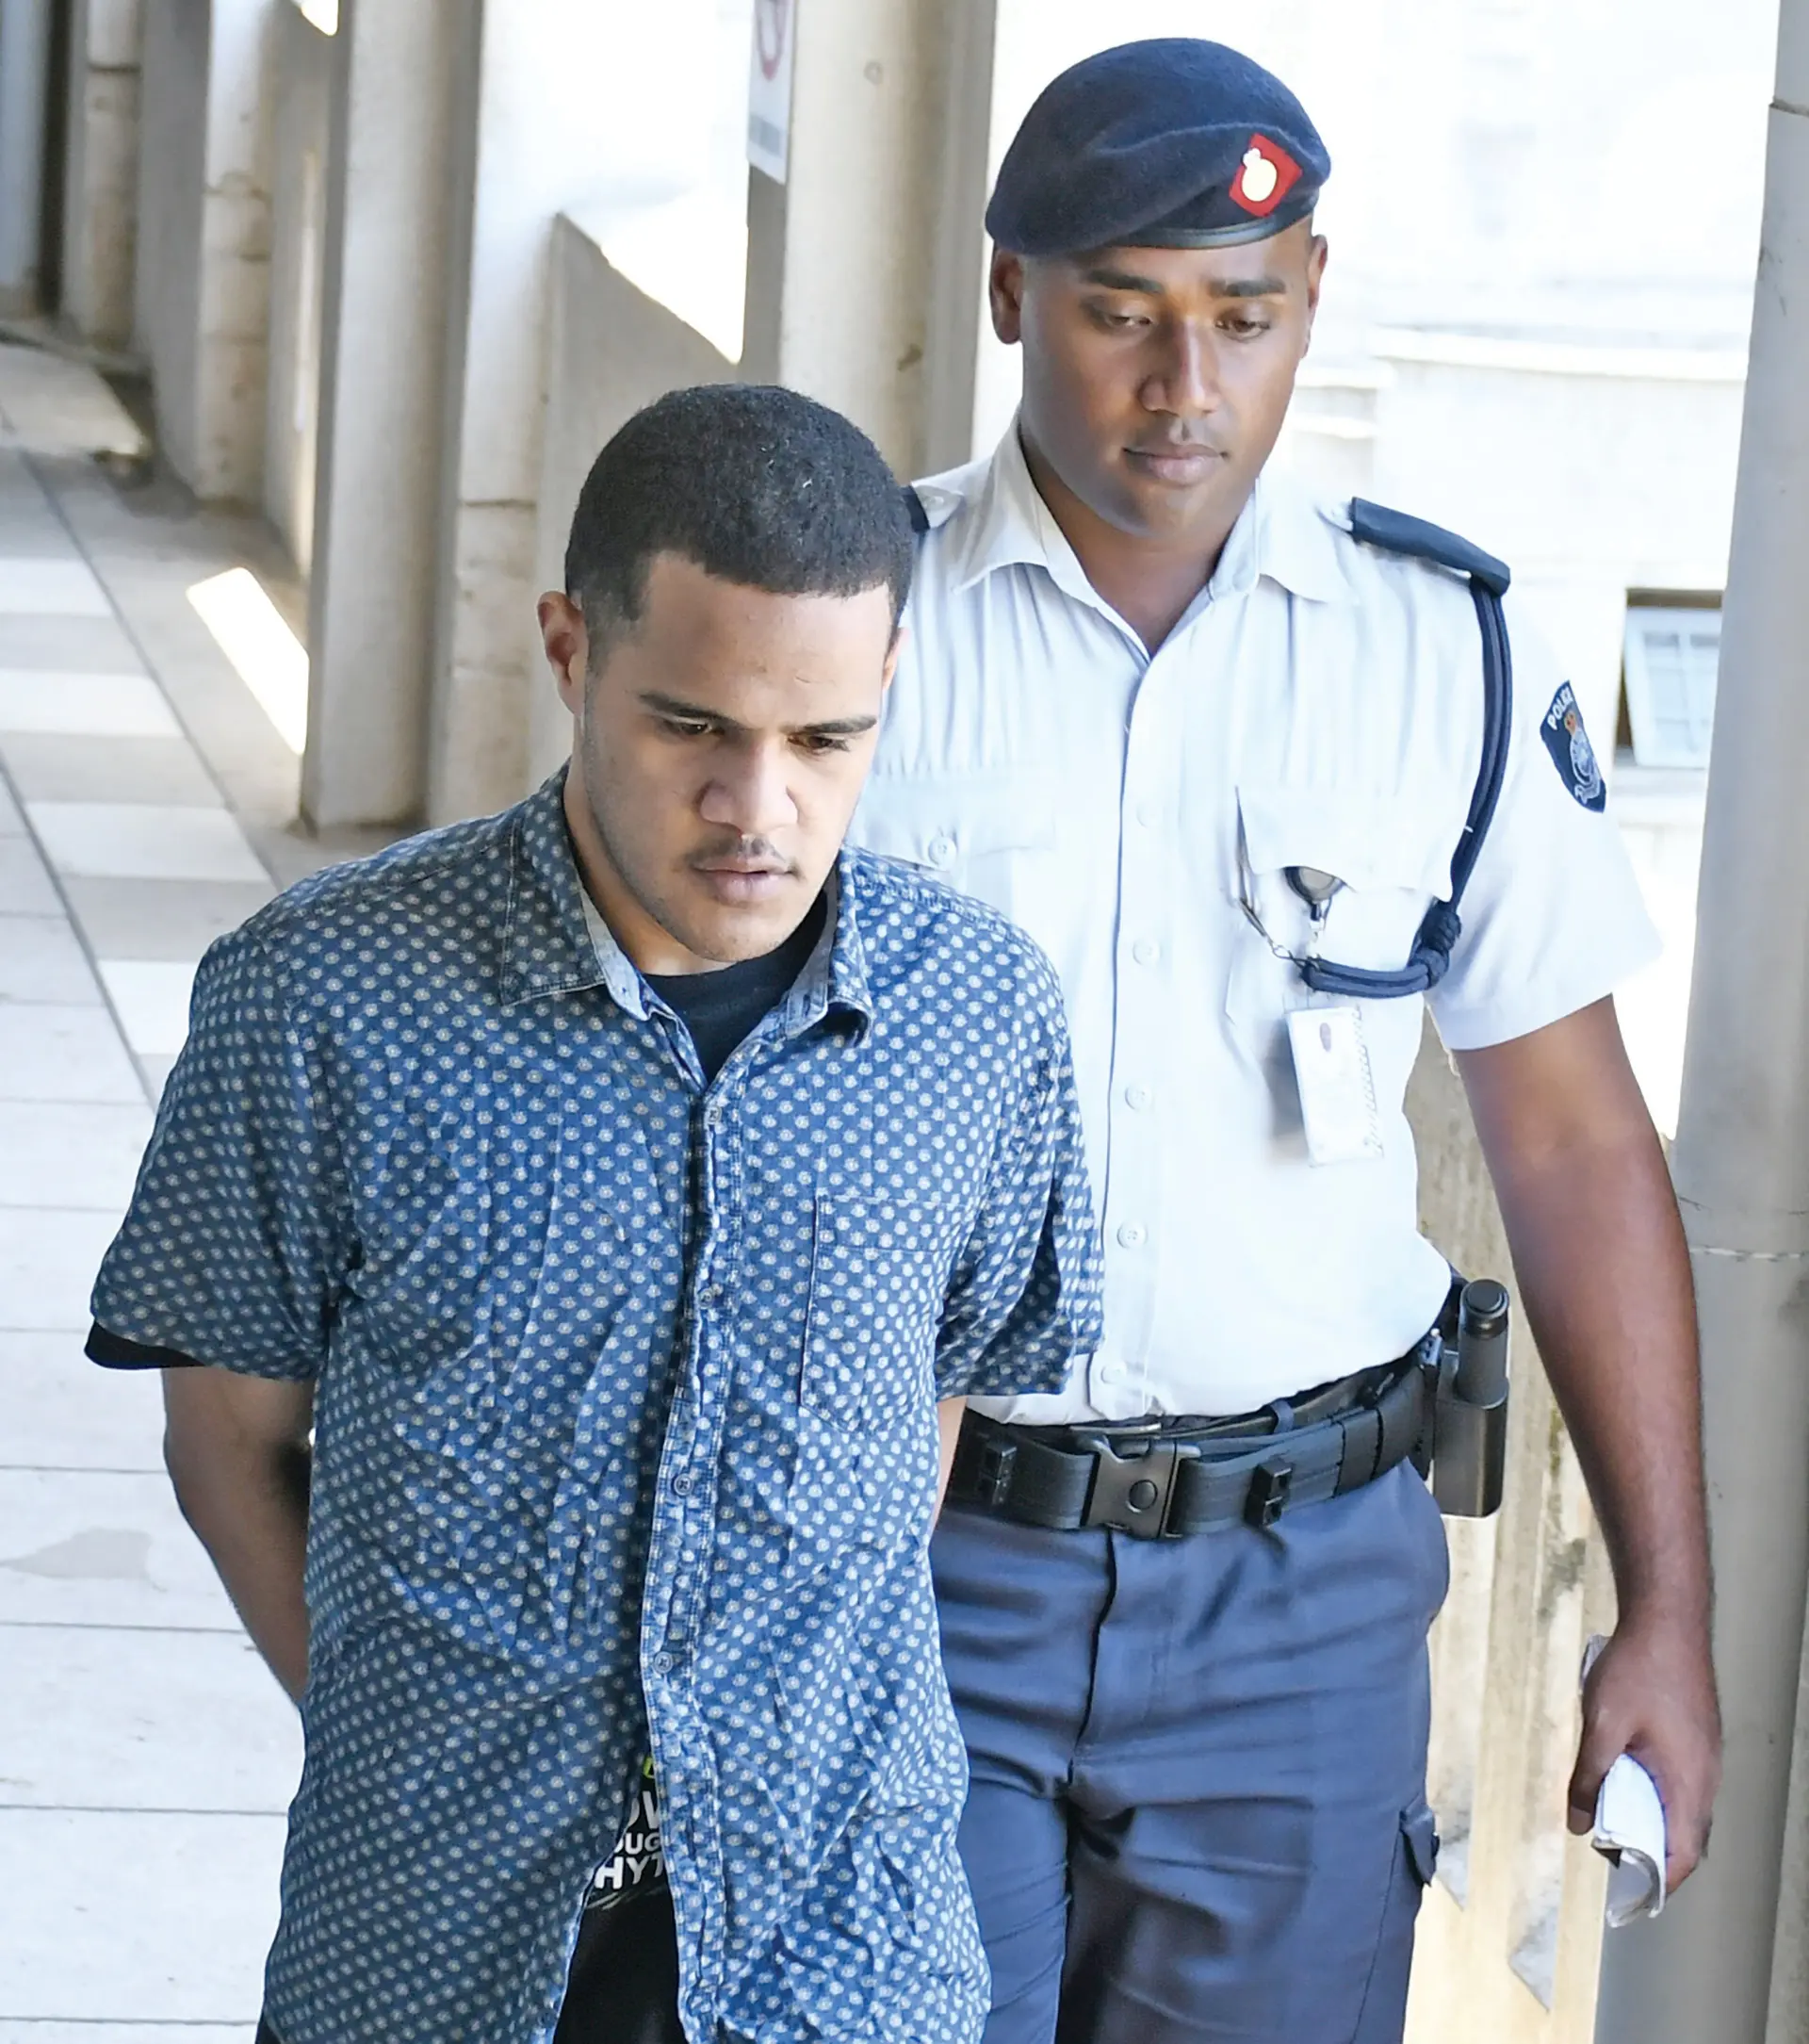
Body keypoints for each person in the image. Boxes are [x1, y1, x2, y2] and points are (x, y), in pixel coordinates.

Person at [849, 38, 1721, 2044]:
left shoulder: (1442, 660)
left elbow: (1579, 1144)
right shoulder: (849, 628)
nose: (1186, 385)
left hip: (1299, 1608)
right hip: (912, 1568)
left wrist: (1664, 1603)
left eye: (1244, 317)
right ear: (1007, 295)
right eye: (1121, 313)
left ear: (1310, 299)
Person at [85, 384, 1101, 2044]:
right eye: (691, 725)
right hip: (426, 1945)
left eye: (825, 739)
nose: (756, 808)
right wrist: (410, 1751)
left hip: (837, 1946)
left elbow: (927, 1410)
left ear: (888, 688)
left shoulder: (979, 1020)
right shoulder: (319, 998)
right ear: (569, 651)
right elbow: (227, 1451)